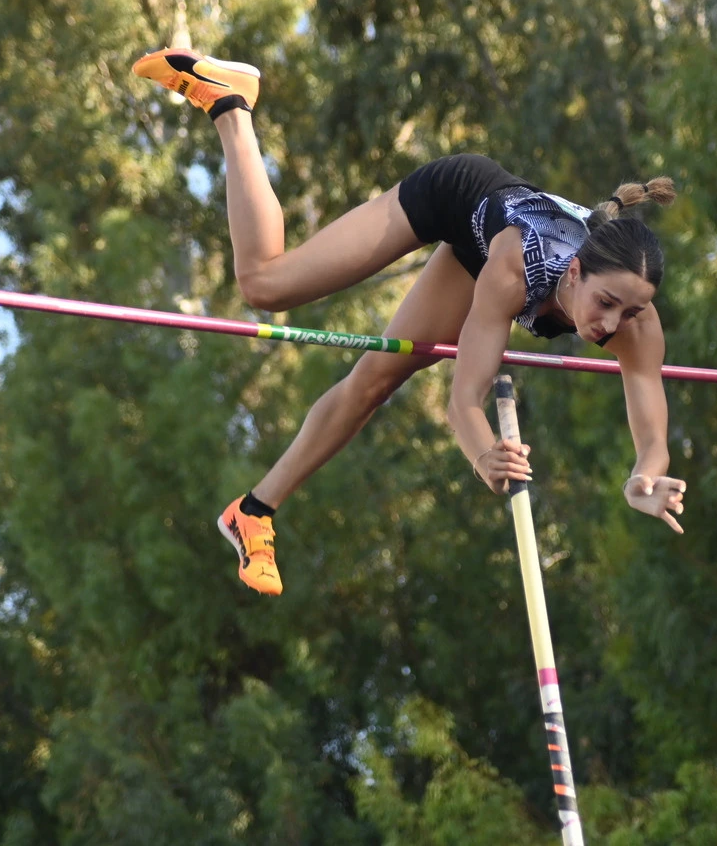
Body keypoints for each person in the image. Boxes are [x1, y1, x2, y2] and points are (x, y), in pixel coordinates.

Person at [132, 48, 688, 596]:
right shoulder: (518, 267)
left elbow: (651, 432)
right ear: (573, 273)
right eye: (607, 303)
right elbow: (464, 400)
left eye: (631, 311)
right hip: (457, 197)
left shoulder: (637, 323)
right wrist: (483, 455)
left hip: (488, 242)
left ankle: (253, 511)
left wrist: (643, 480)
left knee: (375, 380)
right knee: (265, 286)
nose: (613, 324)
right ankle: (230, 103)